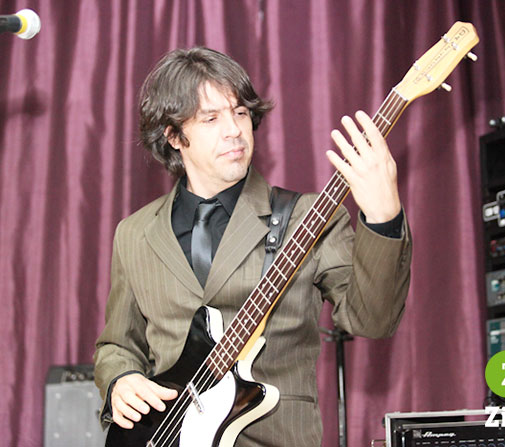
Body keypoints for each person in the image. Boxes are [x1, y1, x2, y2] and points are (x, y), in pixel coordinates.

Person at [93, 46, 411, 446]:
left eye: (240, 112)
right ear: (173, 136)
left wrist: (384, 218)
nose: (234, 130)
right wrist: (120, 379)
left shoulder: (307, 216)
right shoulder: (134, 233)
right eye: (211, 118)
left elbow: (373, 320)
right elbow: (118, 345)